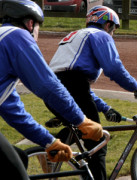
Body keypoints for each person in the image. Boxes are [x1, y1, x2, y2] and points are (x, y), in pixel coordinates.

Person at [0, 0, 103, 179]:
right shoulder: (17, 36)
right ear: (31, 24)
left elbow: (12, 110)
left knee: (20, 157)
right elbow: (48, 85)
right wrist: (82, 121)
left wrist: (49, 141)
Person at [46, 5, 137, 179]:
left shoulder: (76, 36)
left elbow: (77, 86)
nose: (113, 34)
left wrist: (106, 108)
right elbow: (113, 68)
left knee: (81, 129)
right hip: (72, 88)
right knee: (98, 141)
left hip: (53, 88)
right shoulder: (100, 35)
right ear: (107, 25)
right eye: (114, 29)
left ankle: (48, 151)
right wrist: (136, 88)